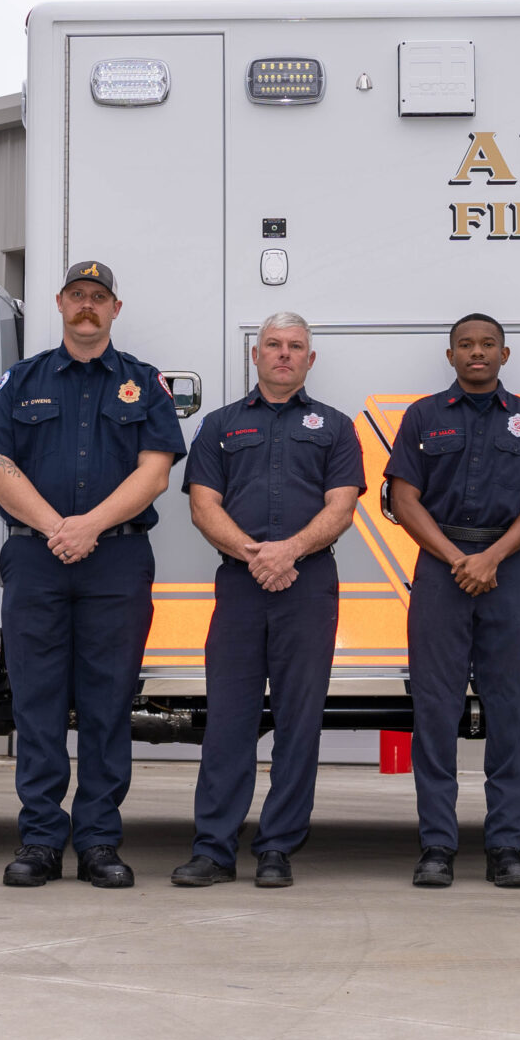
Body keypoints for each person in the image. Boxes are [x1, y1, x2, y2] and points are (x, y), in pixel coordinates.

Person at [0, 260, 186, 889]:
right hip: (37, 559)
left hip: (116, 561)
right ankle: (39, 840)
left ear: (115, 309)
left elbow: (155, 473)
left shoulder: (143, 383)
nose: (87, 306)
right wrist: (57, 528)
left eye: (99, 297)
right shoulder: (22, 380)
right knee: (37, 705)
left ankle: (97, 841)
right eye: (77, 296)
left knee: (107, 705)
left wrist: (87, 526)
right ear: (60, 304)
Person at [172, 313, 365, 889]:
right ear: (255, 356)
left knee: (298, 721)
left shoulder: (335, 427)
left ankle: (278, 847)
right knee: (228, 720)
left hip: (307, 587)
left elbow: (342, 507)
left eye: (296, 347)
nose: (284, 354)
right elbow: (203, 505)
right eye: (274, 346)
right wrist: (256, 555)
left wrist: (288, 554)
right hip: (239, 586)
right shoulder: (219, 426)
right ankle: (213, 850)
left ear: (311, 360)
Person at [383, 314, 520, 889]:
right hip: (440, 573)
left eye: (487, 345)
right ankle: (437, 845)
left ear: (504, 355)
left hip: (505, 571)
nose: (476, 353)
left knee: (509, 712)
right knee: (435, 712)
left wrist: (490, 558)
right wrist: (455, 558)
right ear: (450, 354)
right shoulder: (422, 417)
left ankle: (506, 847)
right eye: (466, 345)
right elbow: (403, 498)